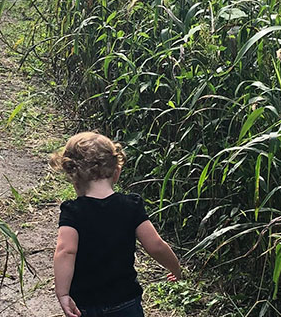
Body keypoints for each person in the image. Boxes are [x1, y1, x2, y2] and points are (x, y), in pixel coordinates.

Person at [50, 131, 182, 317]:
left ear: (74, 176)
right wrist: (175, 268)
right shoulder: (131, 206)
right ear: (117, 171)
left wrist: (62, 293)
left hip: (86, 305)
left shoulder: (73, 211)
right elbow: (156, 245)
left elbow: (65, 251)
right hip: (125, 301)